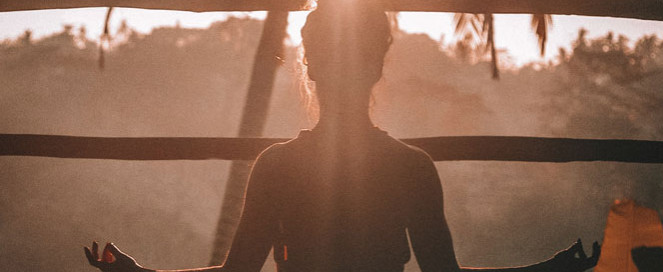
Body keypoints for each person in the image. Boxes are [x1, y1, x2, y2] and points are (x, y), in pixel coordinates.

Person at [85, 1, 600, 271]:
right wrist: (545, 270)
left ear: (310, 68)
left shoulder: (278, 165)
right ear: (377, 67)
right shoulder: (410, 167)